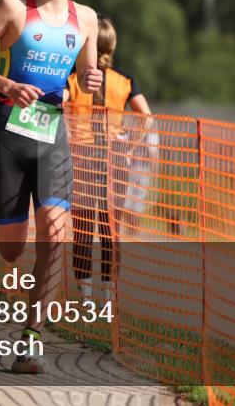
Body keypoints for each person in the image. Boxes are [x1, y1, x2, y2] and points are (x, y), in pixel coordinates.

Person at [0, 0, 102, 374]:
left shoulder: (87, 19)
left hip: (52, 133)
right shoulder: (13, 7)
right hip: (7, 129)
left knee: (56, 235)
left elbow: (86, 75)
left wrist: (92, 80)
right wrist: (7, 84)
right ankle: (10, 244)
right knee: (10, 248)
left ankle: (31, 339)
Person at [64, 16, 151, 303]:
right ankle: (110, 294)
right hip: (115, 157)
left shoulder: (74, 79)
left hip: (83, 156)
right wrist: (131, 147)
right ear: (112, 45)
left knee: (83, 226)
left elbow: (59, 107)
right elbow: (146, 118)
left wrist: (67, 137)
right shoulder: (125, 81)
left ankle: (86, 296)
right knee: (110, 227)